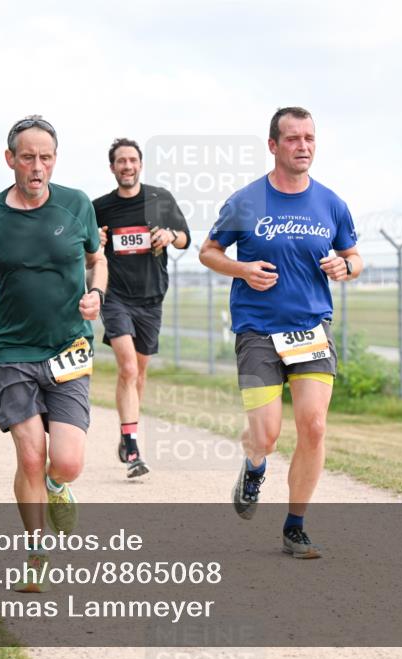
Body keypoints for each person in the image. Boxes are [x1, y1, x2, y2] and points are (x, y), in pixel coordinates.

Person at [199, 107, 362, 559]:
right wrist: (242, 269)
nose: (303, 146)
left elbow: (354, 256)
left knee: (313, 426)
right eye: (293, 138)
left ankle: (295, 527)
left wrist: (344, 266)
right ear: (273, 145)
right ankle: (254, 468)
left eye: (309, 137)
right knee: (266, 435)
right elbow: (208, 252)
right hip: (257, 332)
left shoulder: (331, 203)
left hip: (311, 330)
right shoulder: (246, 201)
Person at [0, 115, 106, 591]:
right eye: (28, 157)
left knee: (65, 462)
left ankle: (58, 486)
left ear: (54, 161)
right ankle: (36, 549)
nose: (37, 167)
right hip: (12, 351)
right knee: (28, 455)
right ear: (10, 160)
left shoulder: (77, 204)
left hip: (68, 347)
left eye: (45, 157)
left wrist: (96, 293)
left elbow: (95, 259)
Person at [94, 138, 191, 478]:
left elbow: (185, 237)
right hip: (116, 296)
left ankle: (126, 431)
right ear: (112, 168)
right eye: (121, 161)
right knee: (128, 369)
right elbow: (84, 244)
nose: (127, 166)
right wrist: (96, 241)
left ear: (140, 164)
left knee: (140, 373)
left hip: (151, 298)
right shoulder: (100, 207)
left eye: (132, 160)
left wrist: (168, 236)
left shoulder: (159, 198)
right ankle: (133, 445)